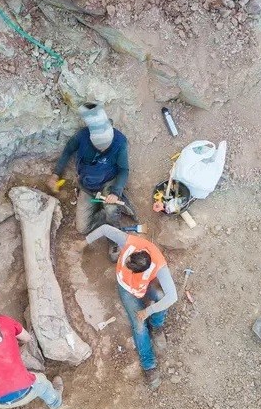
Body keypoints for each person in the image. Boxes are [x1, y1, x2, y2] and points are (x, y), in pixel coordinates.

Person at [78, 227, 177, 388]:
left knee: (161, 296)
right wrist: (84, 242)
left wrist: (148, 311)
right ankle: (149, 365)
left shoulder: (159, 264)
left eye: (131, 266)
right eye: (128, 260)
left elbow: (172, 297)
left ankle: (156, 326)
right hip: (126, 289)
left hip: (143, 286)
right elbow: (104, 229)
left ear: (142, 269)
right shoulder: (130, 242)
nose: (125, 263)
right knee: (138, 325)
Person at [47, 102, 135, 234]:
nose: (104, 151)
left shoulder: (119, 141)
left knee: (111, 209)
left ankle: (114, 229)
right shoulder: (82, 137)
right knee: (82, 229)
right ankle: (107, 211)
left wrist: (116, 192)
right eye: (101, 149)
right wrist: (55, 174)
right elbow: (67, 151)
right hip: (87, 187)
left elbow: (123, 170)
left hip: (108, 182)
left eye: (107, 148)